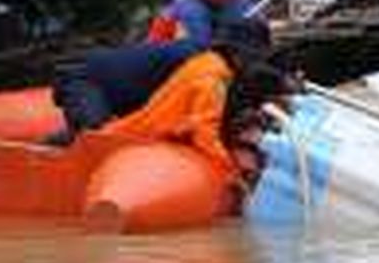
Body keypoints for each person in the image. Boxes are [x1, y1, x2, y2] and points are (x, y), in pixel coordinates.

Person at [101, 17, 284, 185]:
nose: (254, 65)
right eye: (254, 58)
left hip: (131, 137)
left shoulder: (205, 63)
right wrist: (232, 172)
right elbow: (204, 133)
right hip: (136, 144)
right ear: (239, 54)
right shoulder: (212, 79)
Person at [48, 38, 202, 144]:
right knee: (97, 135)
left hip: (111, 78)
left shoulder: (192, 60)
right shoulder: (197, 61)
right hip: (86, 76)